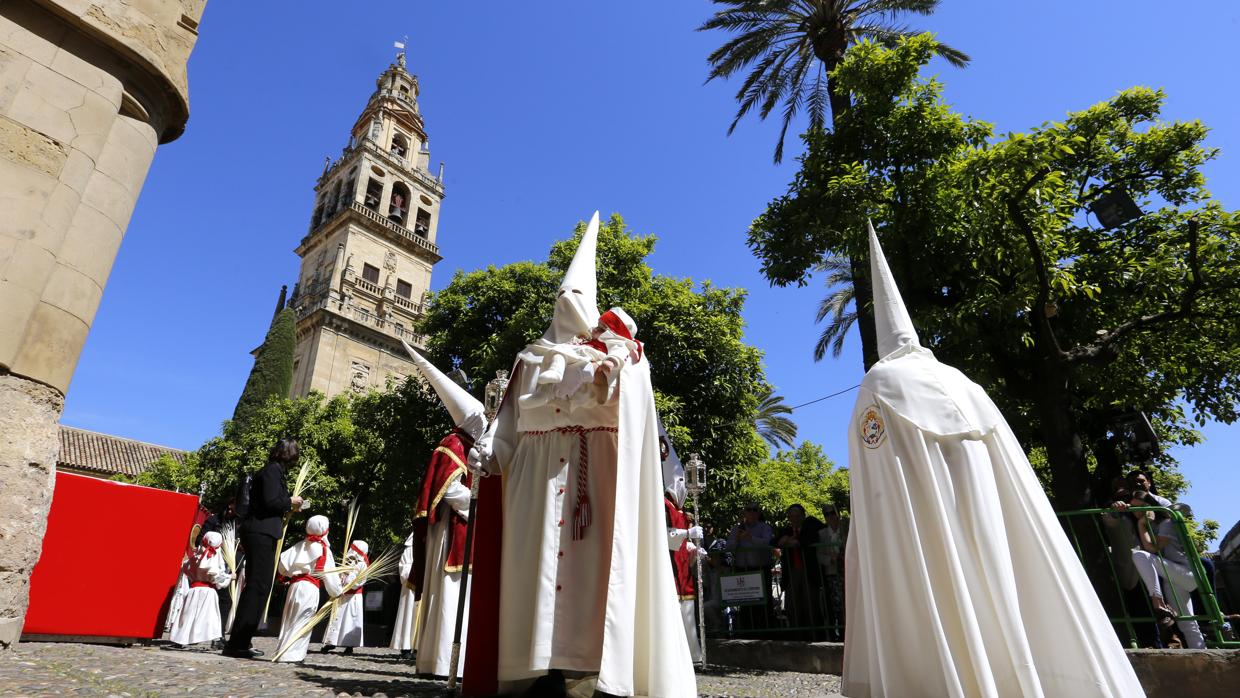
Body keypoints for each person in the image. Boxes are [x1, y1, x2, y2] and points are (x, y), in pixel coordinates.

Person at [841, 222, 1144, 697]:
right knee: (1005, 579)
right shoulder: (966, 383)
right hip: (986, 505)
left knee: (941, 588)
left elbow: (876, 473)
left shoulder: (878, 385)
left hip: (920, 515)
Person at [463, 212, 696, 697]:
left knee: (595, 581)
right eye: (563, 298)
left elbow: (636, 406)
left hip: (599, 478)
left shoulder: (619, 355)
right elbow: (506, 423)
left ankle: (595, 672)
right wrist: (490, 452)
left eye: (578, 299)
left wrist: (616, 364)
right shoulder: (530, 360)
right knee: (534, 575)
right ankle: (536, 671)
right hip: (534, 483)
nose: (568, 305)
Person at [399, 342, 488, 678]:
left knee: (457, 593)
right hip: (452, 529)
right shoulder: (453, 445)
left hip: (459, 526)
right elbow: (449, 489)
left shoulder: (465, 445)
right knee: (450, 592)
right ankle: (440, 663)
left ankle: (449, 662)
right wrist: (476, 504)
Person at [223, 438, 304, 659]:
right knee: (257, 586)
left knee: (259, 586)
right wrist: (290, 502)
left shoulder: (274, 471)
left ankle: (242, 640)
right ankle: (238, 642)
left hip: (261, 532)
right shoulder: (271, 472)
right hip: (260, 532)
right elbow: (270, 502)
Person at [1131, 502, 1205, 648]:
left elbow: (1152, 548)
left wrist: (1141, 525)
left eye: (1142, 507)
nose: (1139, 512)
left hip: (1186, 573)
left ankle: (1158, 603)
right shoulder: (1156, 527)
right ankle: (1204, 657)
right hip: (1173, 575)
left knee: (1140, 555)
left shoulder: (1167, 523)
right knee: (1187, 624)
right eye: (1135, 509)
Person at [661, 423, 705, 662]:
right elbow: (663, 534)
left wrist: (692, 547)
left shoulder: (680, 508)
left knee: (687, 612)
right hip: (669, 568)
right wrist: (687, 535)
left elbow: (679, 537)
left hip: (682, 569)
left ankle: (693, 656)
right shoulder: (663, 505)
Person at [274, 515, 343, 663]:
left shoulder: (298, 546)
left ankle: (282, 651)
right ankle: (292, 655)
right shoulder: (324, 550)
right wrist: (337, 591)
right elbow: (329, 576)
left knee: (289, 618)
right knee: (303, 620)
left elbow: (282, 568)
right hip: (310, 588)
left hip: (294, 586)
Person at [169, 531, 233, 647]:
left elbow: (186, 568)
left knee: (188, 616)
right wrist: (230, 577)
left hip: (193, 590)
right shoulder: (214, 559)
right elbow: (217, 578)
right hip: (208, 591)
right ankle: (216, 640)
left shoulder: (197, 556)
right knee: (211, 617)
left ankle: (181, 638)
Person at [776, 504, 825, 636]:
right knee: (793, 606)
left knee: (811, 605)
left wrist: (794, 541)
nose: (795, 519)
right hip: (791, 573)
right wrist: (784, 541)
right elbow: (774, 541)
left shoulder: (811, 525)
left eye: (797, 516)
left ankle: (814, 636)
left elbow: (810, 539)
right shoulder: (786, 530)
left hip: (808, 572)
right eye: (791, 516)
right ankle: (796, 636)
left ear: (803, 516)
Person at [322, 540, 369, 655]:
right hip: (343, 595)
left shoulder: (362, 564)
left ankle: (350, 644)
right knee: (337, 618)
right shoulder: (347, 562)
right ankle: (331, 642)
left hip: (353, 597)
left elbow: (360, 581)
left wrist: (347, 581)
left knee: (350, 620)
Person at [817, 505, 848, 641]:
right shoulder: (822, 533)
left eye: (832, 513)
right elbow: (819, 555)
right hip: (832, 573)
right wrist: (831, 558)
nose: (830, 516)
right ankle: (841, 634)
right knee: (837, 605)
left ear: (838, 514)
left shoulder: (845, 528)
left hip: (847, 572)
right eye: (826, 514)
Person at [389, 530, 418, 659]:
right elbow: (404, 568)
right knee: (408, 616)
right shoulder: (410, 549)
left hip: (423, 589)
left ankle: (417, 647)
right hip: (411, 588)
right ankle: (406, 647)